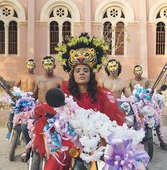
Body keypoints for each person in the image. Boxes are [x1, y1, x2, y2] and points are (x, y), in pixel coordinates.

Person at [42, 33, 146, 170]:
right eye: (77, 70)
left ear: (91, 74)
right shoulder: (65, 93)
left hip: (96, 139)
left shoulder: (100, 95)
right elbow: (53, 114)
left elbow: (110, 118)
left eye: (85, 70)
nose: (81, 73)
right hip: (71, 139)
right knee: (59, 159)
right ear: (73, 75)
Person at [129, 65, 167, 150]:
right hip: (135, 105)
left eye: (140, 71)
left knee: (157, 119)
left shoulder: (147, 80)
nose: (138, 73)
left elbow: (151, 91)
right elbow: (128, 93)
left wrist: (156, 92)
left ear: (142, 71)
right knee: (130, 121)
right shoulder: (130, 81)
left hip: (147, 104)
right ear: (133, 72)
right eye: (136, 71)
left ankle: (162, 141)